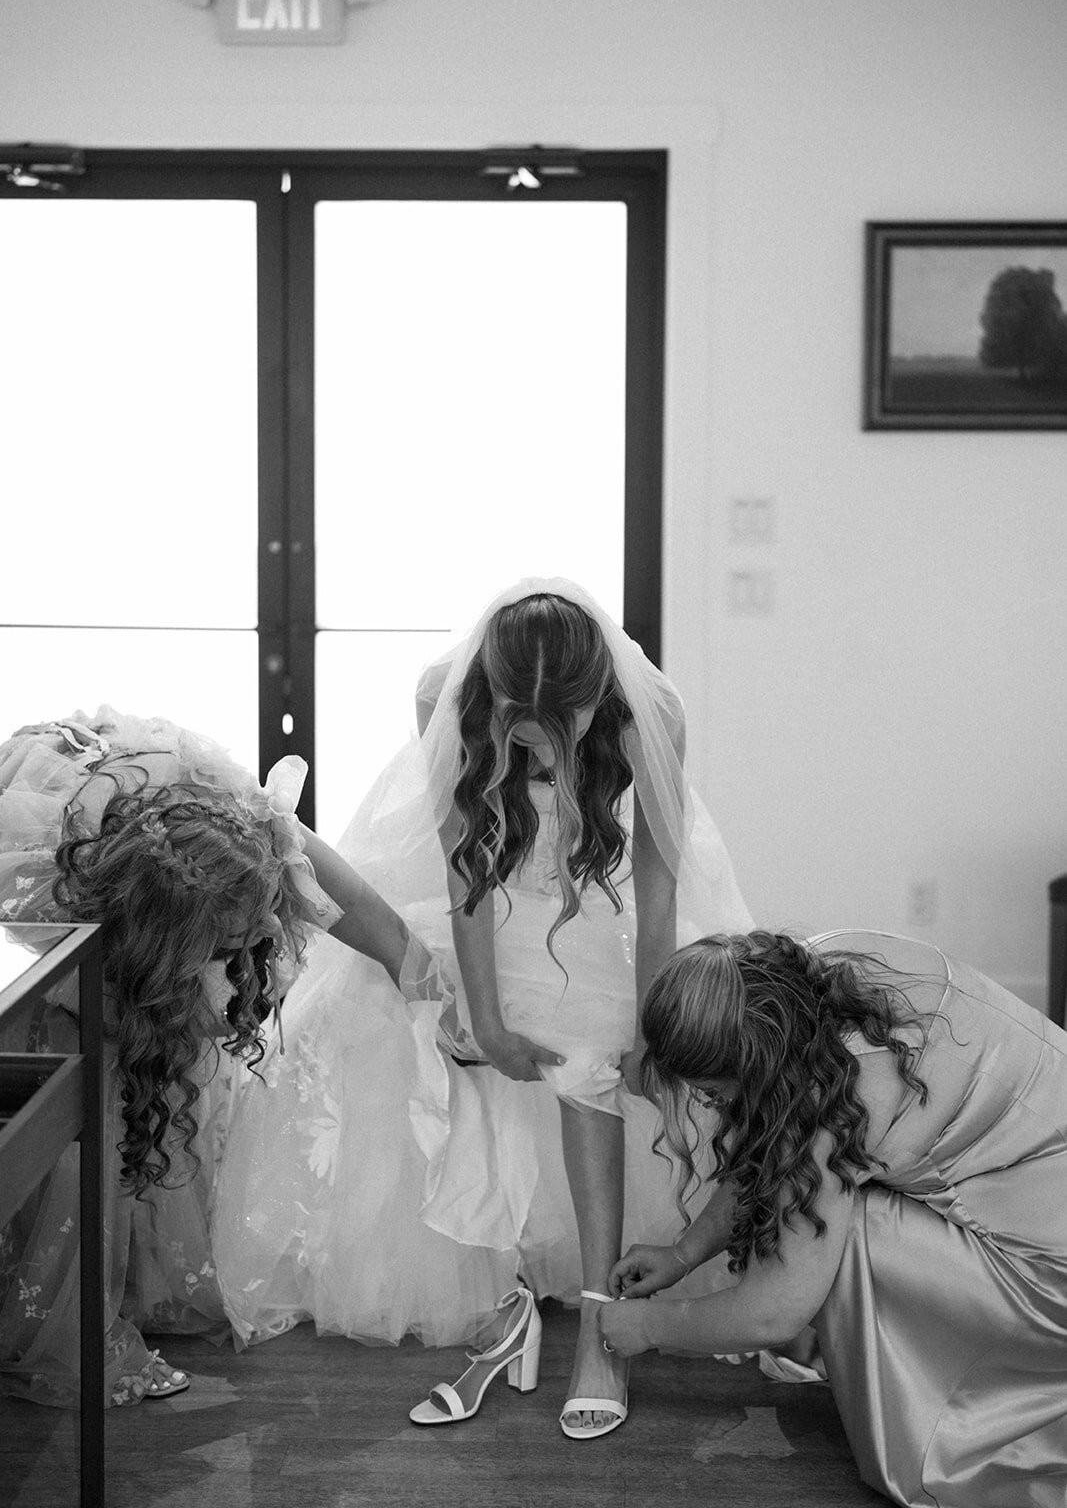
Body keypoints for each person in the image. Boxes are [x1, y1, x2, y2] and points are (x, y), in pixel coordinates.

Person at [213, 576, 751, 1438]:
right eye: (517, 721)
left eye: (558, 724)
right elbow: (466, 870)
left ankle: (599, 1333)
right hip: (491, 907)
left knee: (590, 1059)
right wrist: (488, 1020)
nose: (535, 739)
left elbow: (655, 886)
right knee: (433, 1030)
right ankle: (506, 1307)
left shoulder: (653, 713)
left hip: (593, 912)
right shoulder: (445, 691)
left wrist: (653, 1024)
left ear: (593, 700)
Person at [0, 707, 420, 1408]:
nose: (262, 933)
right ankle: (73, 1318)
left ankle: (144, 1273)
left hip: (138, 820)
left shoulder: (246, 825)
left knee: (181, 1064)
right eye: (231, 938)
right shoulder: (60, 895)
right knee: (99, 1072)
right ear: (168, 940)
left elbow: (340, 900)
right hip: (65, 856)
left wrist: (414, 965)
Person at [599, 929, 1067, 1507]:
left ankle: (960, 1435)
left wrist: (648, 1329)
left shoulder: (835, 1094)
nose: (712, 1107)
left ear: (755, 1061)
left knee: (848, 1227)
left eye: (714, 1094)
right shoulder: (817, 976)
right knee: (822, 1209)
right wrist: (683, 1253)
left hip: (1050, 1279)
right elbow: (771, 1150)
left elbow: (775, 1312)